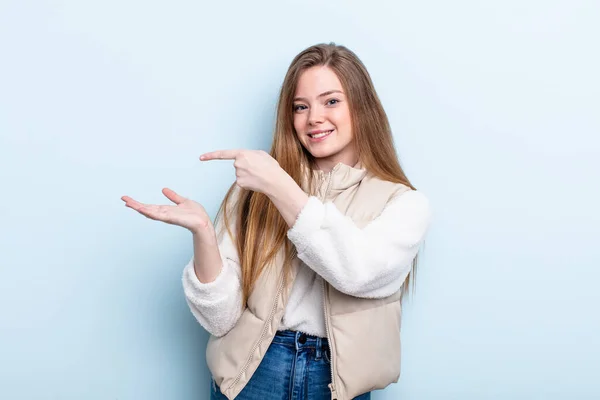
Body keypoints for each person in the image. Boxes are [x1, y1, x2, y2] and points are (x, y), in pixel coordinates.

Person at [121, 43, 432, 400]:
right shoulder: (254, 191)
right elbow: (220, 319)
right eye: (301, 107)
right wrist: (204, 234)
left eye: (331, 101)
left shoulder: (405, 204)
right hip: (254, 372)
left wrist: (279, 184)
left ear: (362, 108)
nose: (314, 117)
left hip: (335, 381)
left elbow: (358, 273)